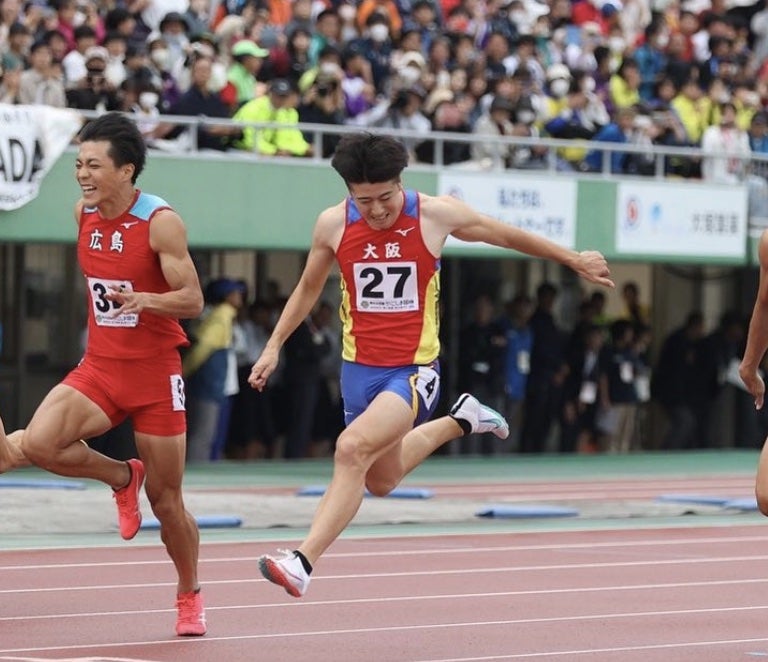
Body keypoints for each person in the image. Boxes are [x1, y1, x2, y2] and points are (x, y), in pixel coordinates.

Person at [249, 132, 614, 598]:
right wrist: (273, 346)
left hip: (413, 370)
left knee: (350, 450)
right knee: (381, 479)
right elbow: (306, 289)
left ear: (401, 182)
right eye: (365, 201)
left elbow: (505, 234)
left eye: (385, 197)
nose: (377, 211)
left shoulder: (435, 215)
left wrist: (572, 259)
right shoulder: (332, 224)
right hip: (358, 371)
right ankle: (463, 419)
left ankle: (302, 562)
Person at [0, 113, 207, 637]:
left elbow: (192, 300)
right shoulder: (83, 214)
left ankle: (189, 593)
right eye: (79, 164)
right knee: (41, 443)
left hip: (155, 374)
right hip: (100, 365)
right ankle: (121, 476)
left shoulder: (160, 222)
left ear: (126, 170)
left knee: (167, 502)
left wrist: (147, 300)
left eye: (93, 165)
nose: (82, 175)